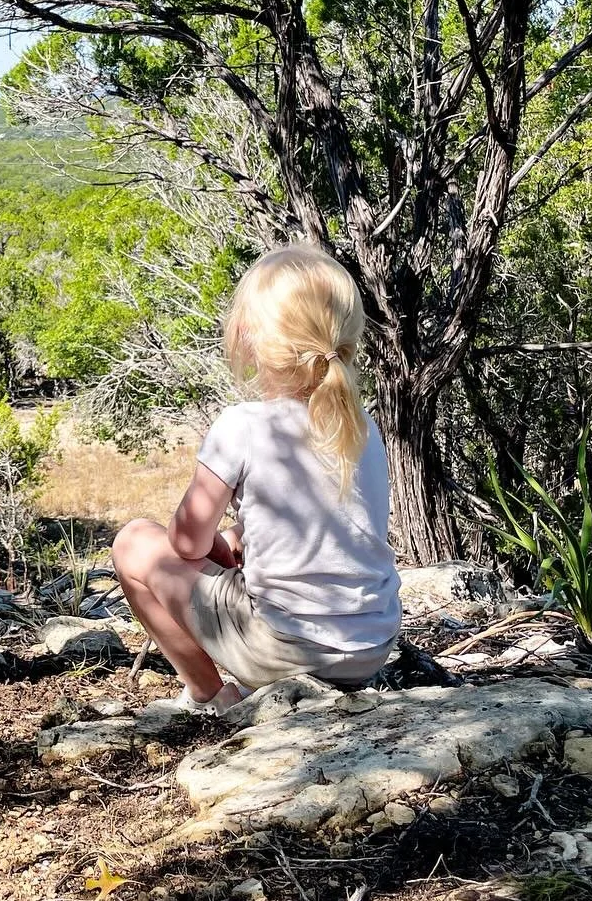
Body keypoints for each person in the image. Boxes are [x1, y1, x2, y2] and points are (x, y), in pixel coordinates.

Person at [112, 246, 401, 711]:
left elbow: (185, 543)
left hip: (284, 648)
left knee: (133, 542)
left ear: (248, 336)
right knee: (232, 537)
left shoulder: (243, 425)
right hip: (371, 644)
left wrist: (220, 551)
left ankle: (212, 695)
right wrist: (236, 538)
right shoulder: (364, 427)